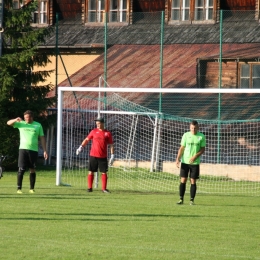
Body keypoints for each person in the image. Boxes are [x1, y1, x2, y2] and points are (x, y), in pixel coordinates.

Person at [7, 110, 48, 194]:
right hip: (22, 149)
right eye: (25, 117)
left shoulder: (38, 125)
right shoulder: (21, 123)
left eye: (28, 117)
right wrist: (15, 120)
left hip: (33, 150)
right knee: (21, 169)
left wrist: (45, 150)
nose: (27, 119)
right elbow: (8, 123)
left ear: (32, 117)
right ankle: (19, 189)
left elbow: (42, 138)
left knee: (32, 169)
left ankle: (31, 189)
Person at [76, 117, 114, 193]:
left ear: (103, 123)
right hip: (93, 155)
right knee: (91, 171)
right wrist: (80, 147)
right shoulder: (93, 131)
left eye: (99, 123)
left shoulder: (107, 133)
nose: (97, 125)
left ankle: (104, 189)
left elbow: (111, 145)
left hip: (103, 156)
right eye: (96, 123)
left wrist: (112, 155)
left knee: (104, 172)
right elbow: (87, 139)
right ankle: (90, 188)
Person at [176, 120, 206, 205]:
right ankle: (181, 199)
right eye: (192, 128)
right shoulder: (186, 135)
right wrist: (177, 158)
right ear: (190, 127)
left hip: (195, 163)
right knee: (183, 180)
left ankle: (191, 200)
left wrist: (195, 156)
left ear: (198, 127)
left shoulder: (201, 136)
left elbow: (203, 149)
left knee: (193, 181)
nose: (193, 129)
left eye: (195, 128)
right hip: (185, 162)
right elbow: (182, 148)